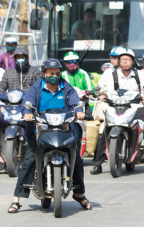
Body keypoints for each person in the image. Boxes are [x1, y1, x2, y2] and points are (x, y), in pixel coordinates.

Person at [8, 59, 92, 214]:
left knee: (77, 159)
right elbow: (28, 101)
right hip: (41, 129)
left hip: (64, 129)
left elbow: (75, 102)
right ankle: (17, 198)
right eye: (51, 73)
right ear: (44, 74)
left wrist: (79, 111)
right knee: (30, 159)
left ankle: (79, 193)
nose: (54, 75)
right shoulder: (37, 87)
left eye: (57, 73)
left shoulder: (66, 87)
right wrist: (27, 112)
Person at [92, 49, 144, 175]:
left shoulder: (139, 74)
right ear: (119, 61)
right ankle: (98, 164)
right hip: (115, 106)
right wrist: (103, 95)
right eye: (123, 60)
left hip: (135, 107)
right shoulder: (111, 74)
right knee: (105, 130)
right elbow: (106, 91)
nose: (125, 62)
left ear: (133, 61)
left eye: (128, 60)